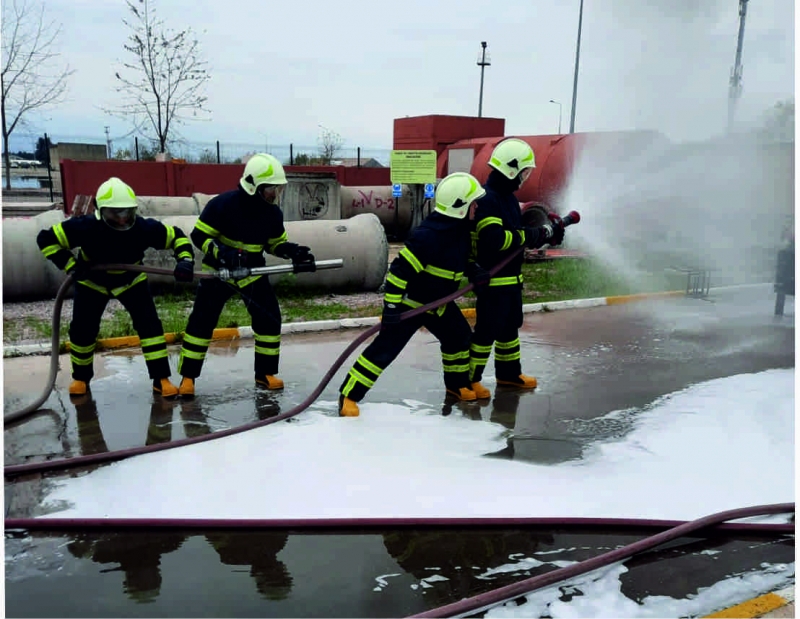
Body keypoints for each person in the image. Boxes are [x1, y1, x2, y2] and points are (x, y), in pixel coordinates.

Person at [338, 172, 491, 417]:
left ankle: (456, 385)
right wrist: (391, 309)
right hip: (411, 304)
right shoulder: (428, 236)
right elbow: (398, 272)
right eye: (474, 203)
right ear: (460, 207)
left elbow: (463, 261)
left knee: (460, 339)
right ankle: (349, 395)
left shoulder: (461, 232)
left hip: (440, 304)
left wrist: (475, 271)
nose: (477, 208)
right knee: (384, 350)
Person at [36, 177, 196, 399]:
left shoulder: (142, 227)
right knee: (83, 331)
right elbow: (46, 239)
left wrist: (185, 260)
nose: (122, 220)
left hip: (131, 281)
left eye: (127, 213)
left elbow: (176, 237)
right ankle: (81, 378)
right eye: (115, 214)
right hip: (92, 281)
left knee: (150, 329)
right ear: (100, 211)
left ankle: (161, 379)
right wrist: (71, 265)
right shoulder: (85, 227)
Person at [176, 153, 316, 397]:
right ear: (253, 186)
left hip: (253, 272)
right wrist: (219, 252)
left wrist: (292, 251)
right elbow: (199, 236)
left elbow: (274, 244)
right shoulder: (222, 205)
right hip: (218, 274)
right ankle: (188, 378)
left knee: (269, 319)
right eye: (271, 189)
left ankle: (265, 373)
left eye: (278, 189)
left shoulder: (273, 214)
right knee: (201, 322)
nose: (275, 195)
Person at [469, 137, 567, 400]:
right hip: (493, 282)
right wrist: (531, 235)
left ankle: (509, 374)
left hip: (511, 280)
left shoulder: (509, 199)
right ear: (512, 169)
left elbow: (520, 234)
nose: (526, 177)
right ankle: (471, 380)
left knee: (509, 329)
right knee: (486, 332)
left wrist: (547, 234)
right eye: (525, 171)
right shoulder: (489, 200)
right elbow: (495, 240)